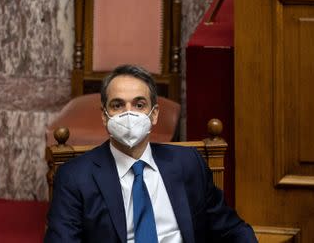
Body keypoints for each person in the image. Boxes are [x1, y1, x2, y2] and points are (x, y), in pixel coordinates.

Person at [45, 64, 257, 242]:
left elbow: (232, 230)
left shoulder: (189, 163)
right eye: (118, 105)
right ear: (104, 116)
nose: (129, 113)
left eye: (139, 104)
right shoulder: (75, 177)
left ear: (154, 114)